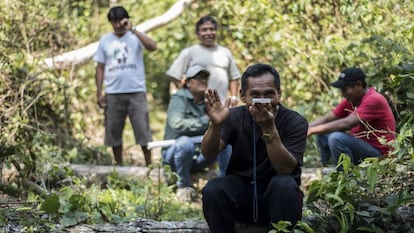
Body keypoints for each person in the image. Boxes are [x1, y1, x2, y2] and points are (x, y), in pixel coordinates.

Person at [201, 63, 308, 232]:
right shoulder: (234, 117)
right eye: (256, 95)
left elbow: (286, 168)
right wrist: (215, 125)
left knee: (284, 184)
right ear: (243, 95)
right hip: (242, 195)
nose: (263, 100)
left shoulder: (295, 122)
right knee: (213, 188)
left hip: (280, 199)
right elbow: (208, 152)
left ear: (279, 94)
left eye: (269, 94)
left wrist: (268, 128)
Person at [93, 6, 157, 166]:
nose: (118, 25)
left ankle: (149, 166)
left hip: (137, 92)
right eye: (114, 22)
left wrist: (133, 29)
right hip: (113, 93)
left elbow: (153, 47)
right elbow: (100, 67)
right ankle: (119, 166)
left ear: (126, 20)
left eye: (120, 21)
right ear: (110, 22)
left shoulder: (135, 36)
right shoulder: (105, 40)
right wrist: (99, 92)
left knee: (143, 131)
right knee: (113, 131)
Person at [162, 64, 231, 202]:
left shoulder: (207, 101)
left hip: (198, 155)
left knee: (225, 142)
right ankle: (183, 187)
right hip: (175, 153)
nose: (203, 81)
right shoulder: (179, 98)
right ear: (187, 82)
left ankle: (226, 182)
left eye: (205, 78)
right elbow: (177, 124)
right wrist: (205, 120)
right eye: (198, 78)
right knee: (185, 143)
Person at [307, 67, 396, 169]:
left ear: (358, 85)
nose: (343, 94)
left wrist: (311, 130)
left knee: (336, 138)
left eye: (345, 89)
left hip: (380, 156)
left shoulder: (374, 99)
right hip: (363, 149)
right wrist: (305, 129)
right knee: (322, 132)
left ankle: (346, 178)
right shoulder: (352, 100)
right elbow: (328, 118)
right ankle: (330, 169)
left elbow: (347, 123)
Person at [166, 15, 241, 107]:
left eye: (211, 29)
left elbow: (234, 77)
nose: (208, 33)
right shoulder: (190, 52)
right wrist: (186, 94)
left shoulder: (225, 52)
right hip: (196, 108)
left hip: (221, 106)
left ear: (216, 32)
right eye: (204, 30)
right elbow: (174, 74)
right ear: (198, 33)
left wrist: (234, 97)